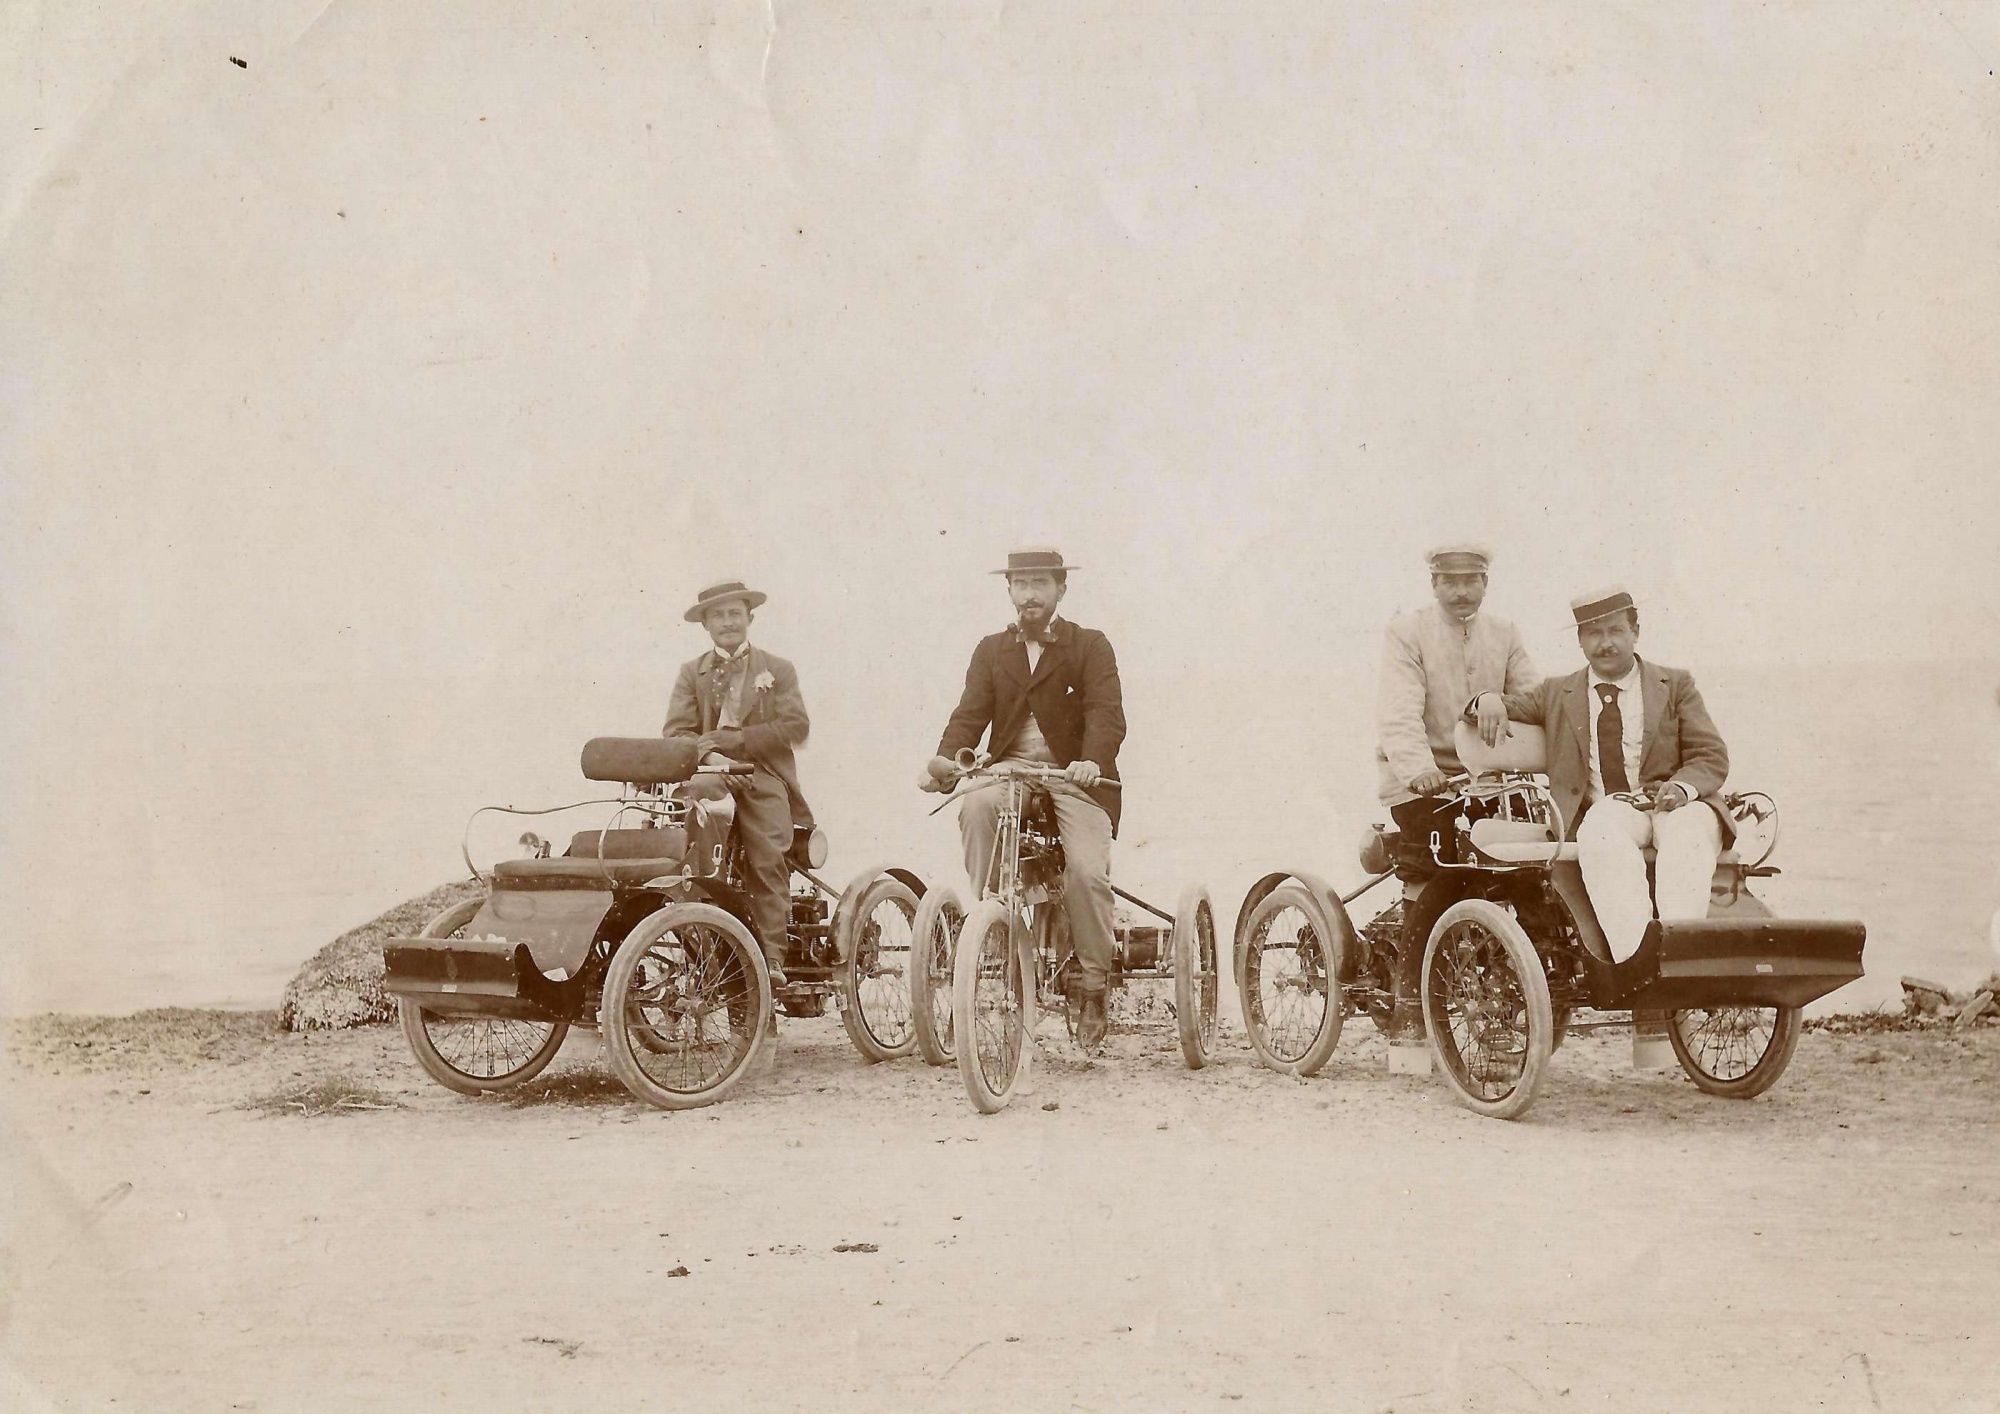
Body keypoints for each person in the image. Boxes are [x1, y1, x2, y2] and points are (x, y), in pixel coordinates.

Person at [919, 547, 1125, 1047]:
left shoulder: (1090, 645)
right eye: (1021, 584)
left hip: (1074, 779)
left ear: (1061, 589)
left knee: (1086, 872)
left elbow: (1106, 713)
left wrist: (1092, 760)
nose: (1030, 594)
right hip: (1010, 772)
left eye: (1040, 583)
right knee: (976, 806)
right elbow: (970, 714)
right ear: (1009, 590)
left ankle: (1093, 982)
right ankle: (997, 925)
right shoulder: (991, 650)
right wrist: (945, 761)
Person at [1468, 586, 1730, 962]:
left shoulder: (1675, 685)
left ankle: (1678, 955)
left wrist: (1683, 788)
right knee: (1599, 833)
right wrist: (1486, 699)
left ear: (1635, 631)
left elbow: (1710, 755)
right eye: (1594, 633)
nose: (1606, 643)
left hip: (1676, 805)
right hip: (1611, 811)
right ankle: (1636, 963)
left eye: (1615, 630)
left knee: (1687, 832)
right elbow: (1499, 707)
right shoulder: (1557, 692)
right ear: (1580, 640)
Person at [664, 579, 812, 988]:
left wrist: (738, 742)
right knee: (689, 855)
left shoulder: (777, 669)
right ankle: (702, 945)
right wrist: (713, 757)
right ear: (705, 625)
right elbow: (676, 732)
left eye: (734, 613)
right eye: (718, 616)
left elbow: (796, 726)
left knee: (768, 856)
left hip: (763, 775)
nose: (727, 622)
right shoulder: (691, 673)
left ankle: (771, 958)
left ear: (749, 617)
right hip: (710, 774)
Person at [1376, 541, 1541, 855]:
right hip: (1427, 783)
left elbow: (1533, 700)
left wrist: (1494, 700)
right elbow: (1400, 711)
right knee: (1433, 865)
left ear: (1485, 582)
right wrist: (1420, 771)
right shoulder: (1407, 633)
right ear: (1434, 584)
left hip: (1492, 781)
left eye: (1470, 581)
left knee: (1527, 861)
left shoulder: (1504, 632)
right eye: (1450, 582)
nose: (1461, 592)